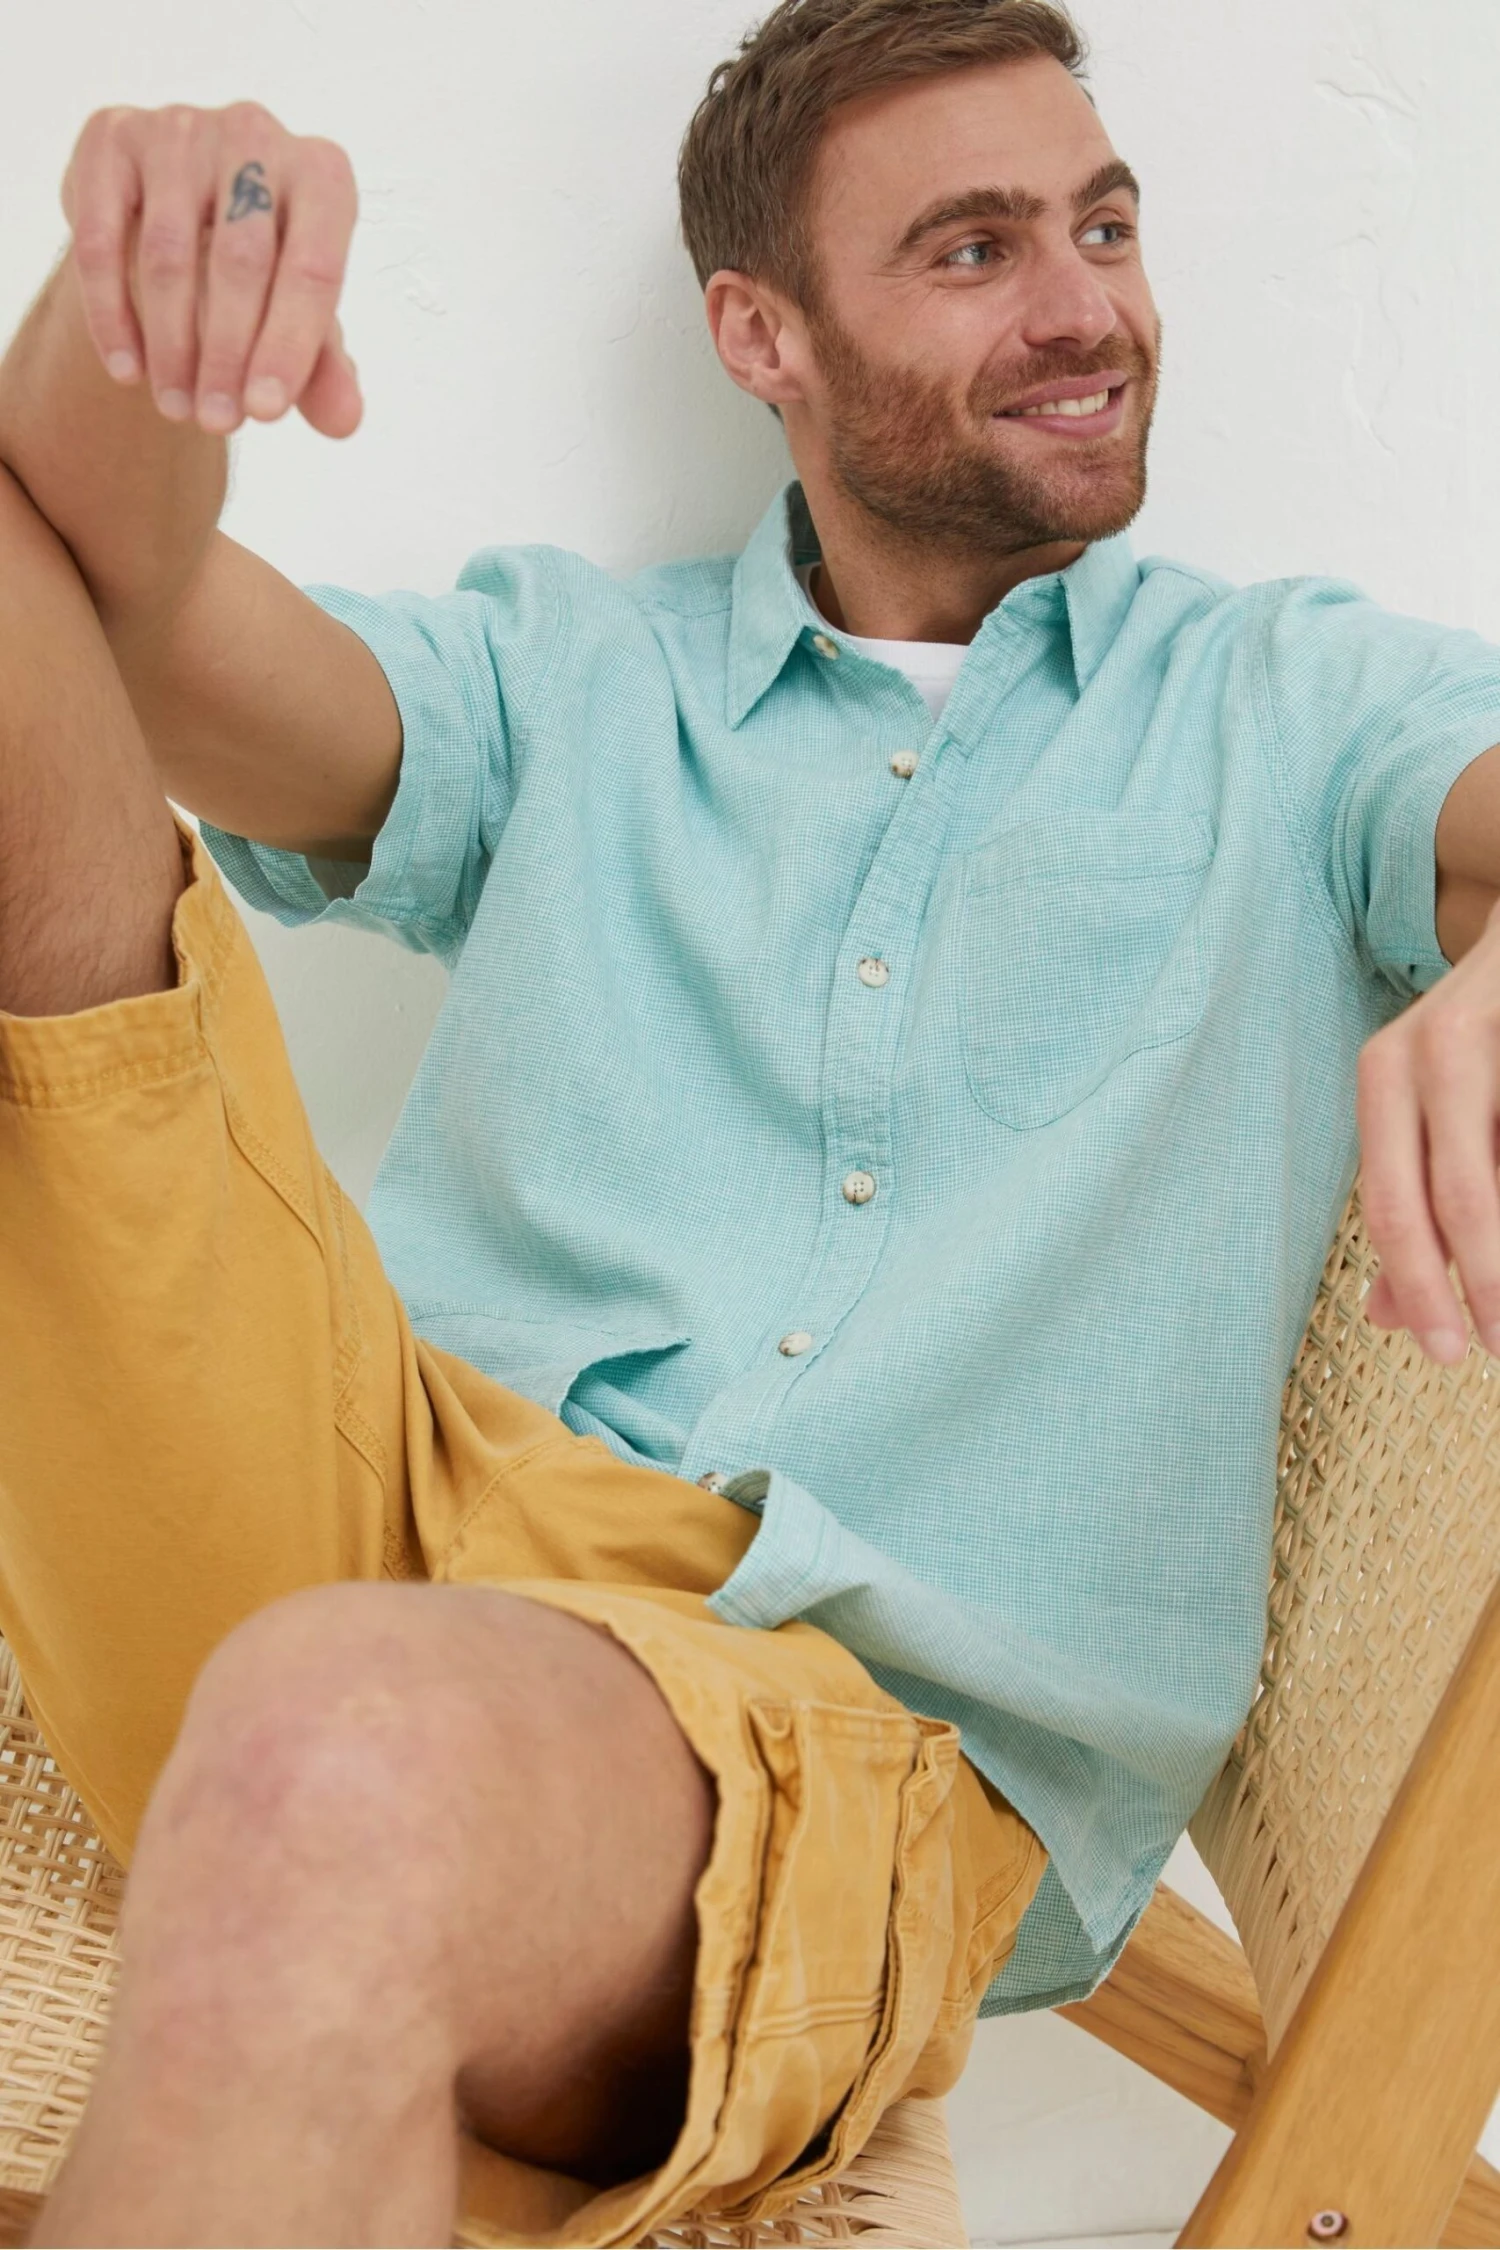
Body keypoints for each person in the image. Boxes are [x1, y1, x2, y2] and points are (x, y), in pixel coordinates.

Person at [4, 0, 1500, 2240]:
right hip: (362, 1480)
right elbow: (110, 603)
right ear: (761, 335)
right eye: (975, 250)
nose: (1085, 305)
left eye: (1102, 227)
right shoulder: (567, 677)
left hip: (829, 1730)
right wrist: (133, 279)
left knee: (344, 1741)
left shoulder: (1291, 709)